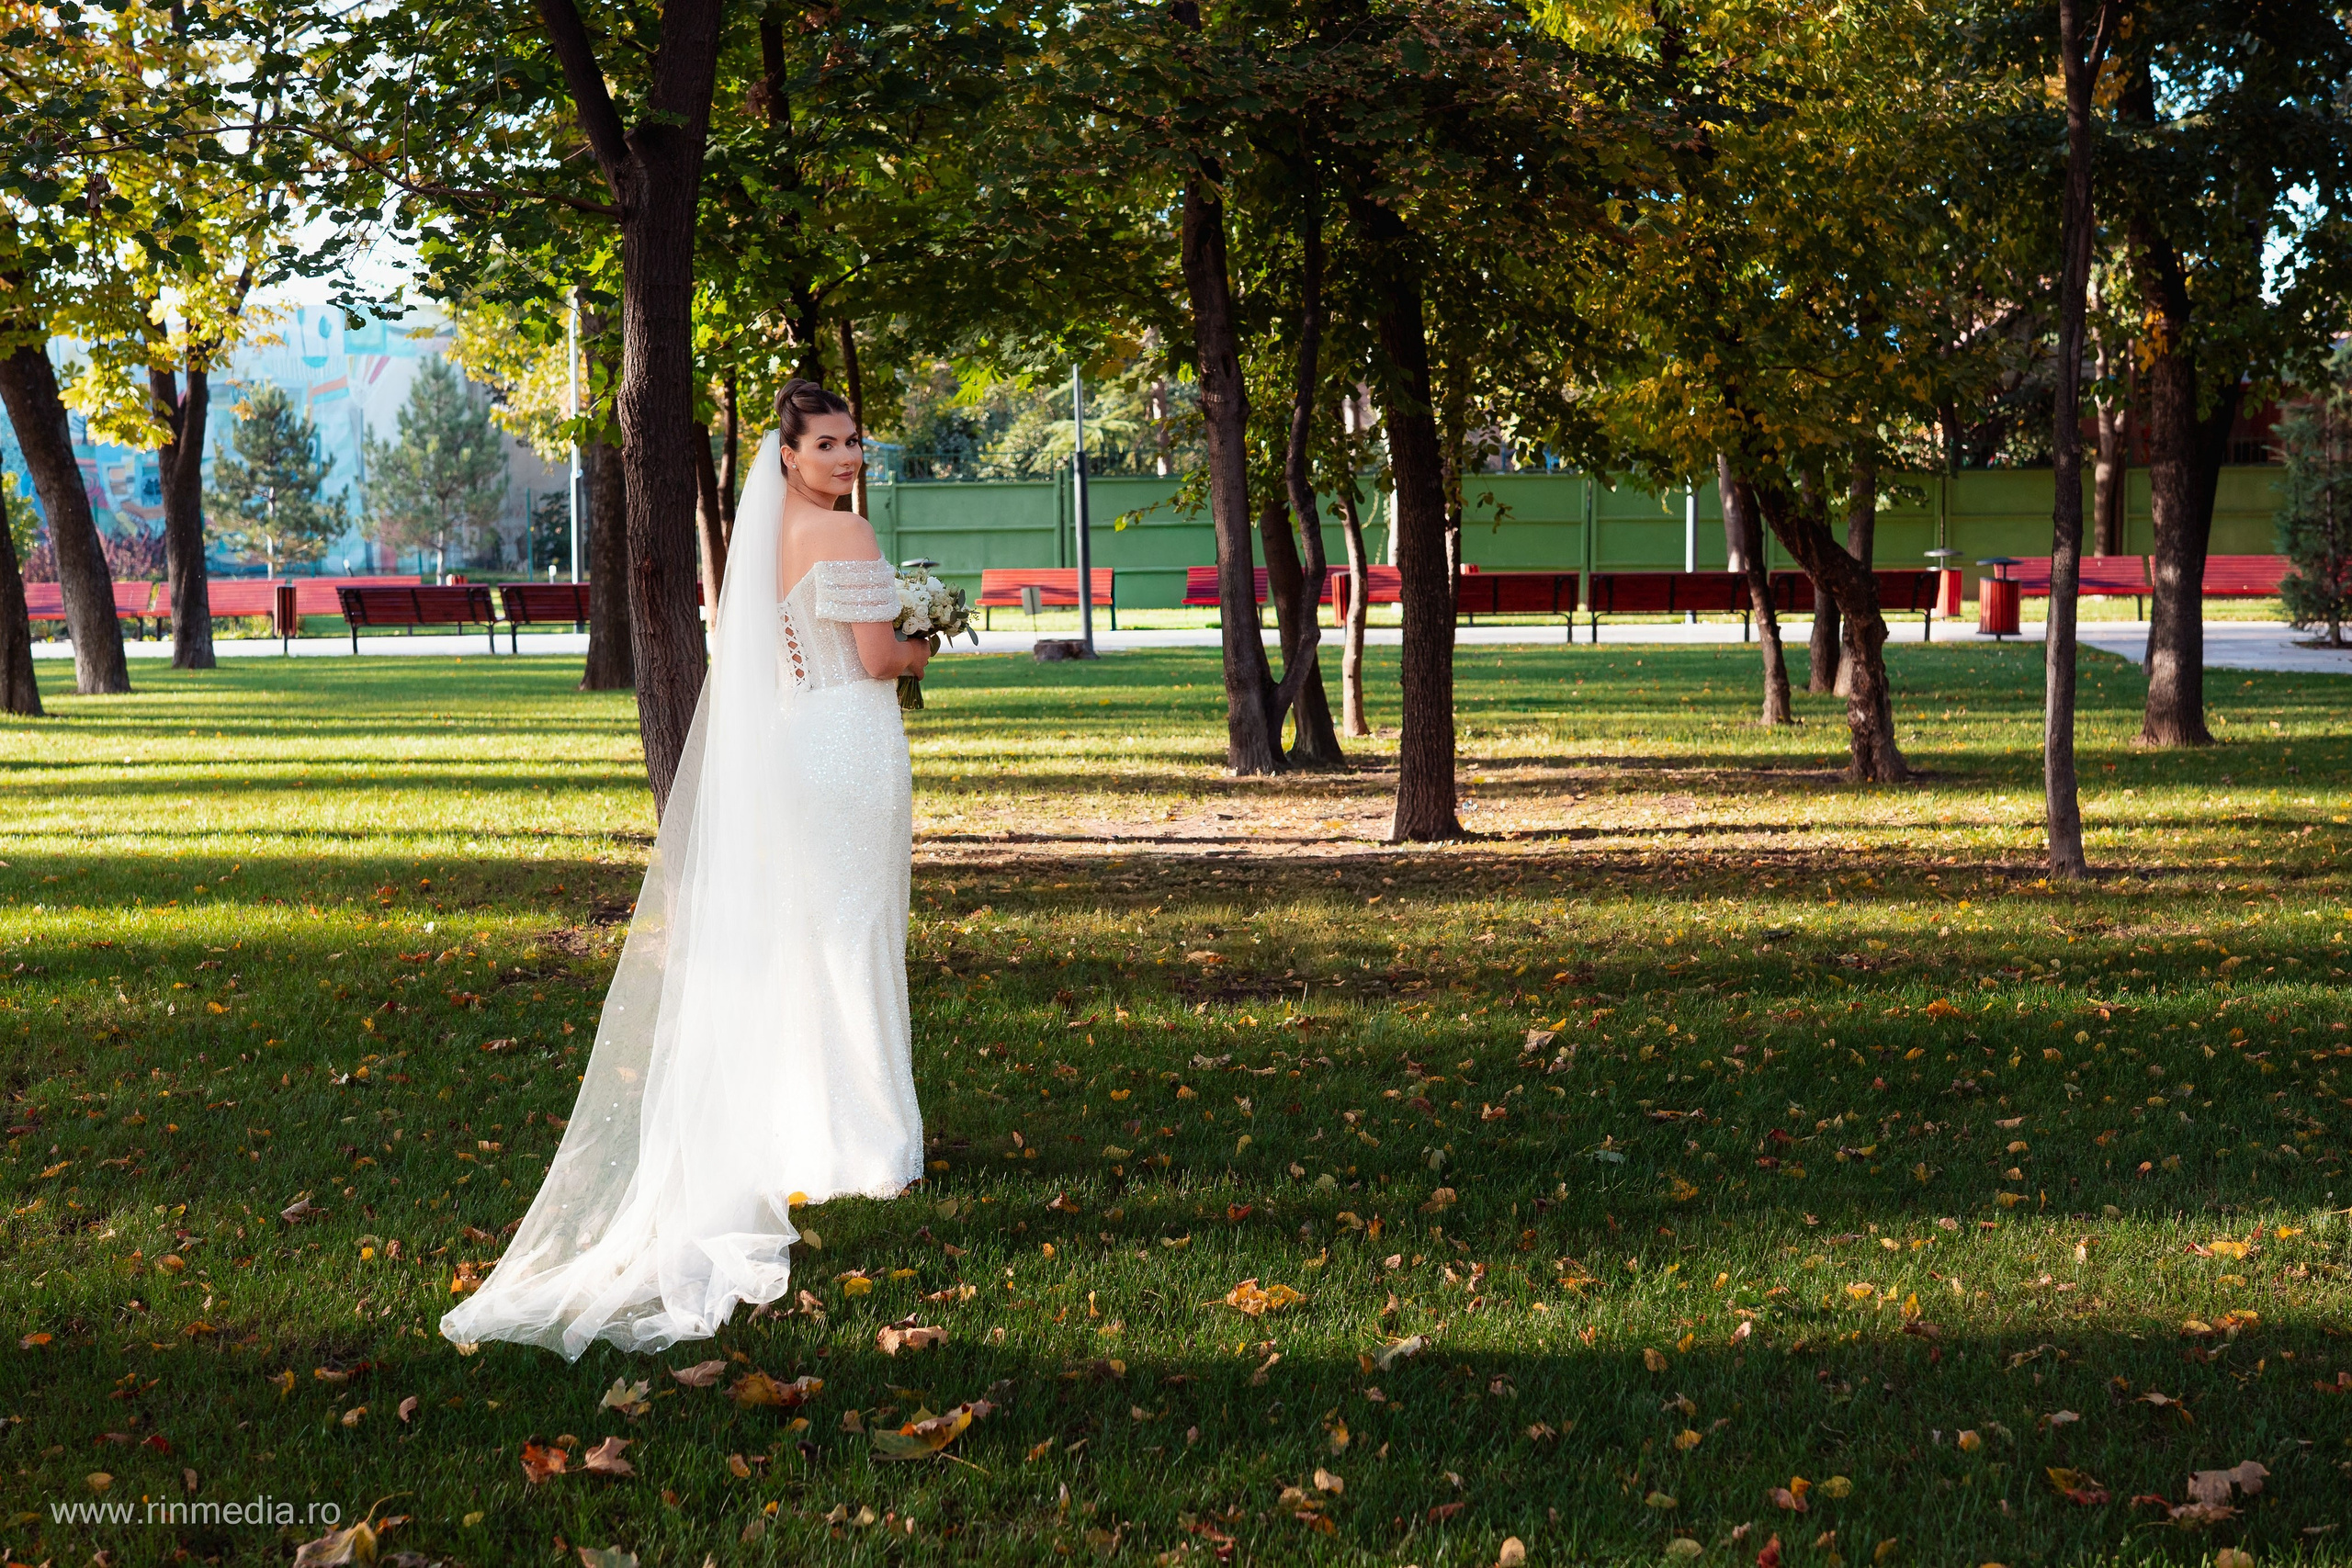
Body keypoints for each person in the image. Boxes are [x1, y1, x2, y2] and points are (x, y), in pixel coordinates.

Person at [441, 379, 931, 1360]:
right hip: (850, 743)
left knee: (815, 938)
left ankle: (813, 1133)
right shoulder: (847, 534)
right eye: (827, 444)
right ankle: (874, 1147)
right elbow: (880, 660)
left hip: (799, 742)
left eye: (853, 442)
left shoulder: (764, 535)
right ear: (788, 454)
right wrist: (926, 639)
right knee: (857, 933)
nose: (846, 457)